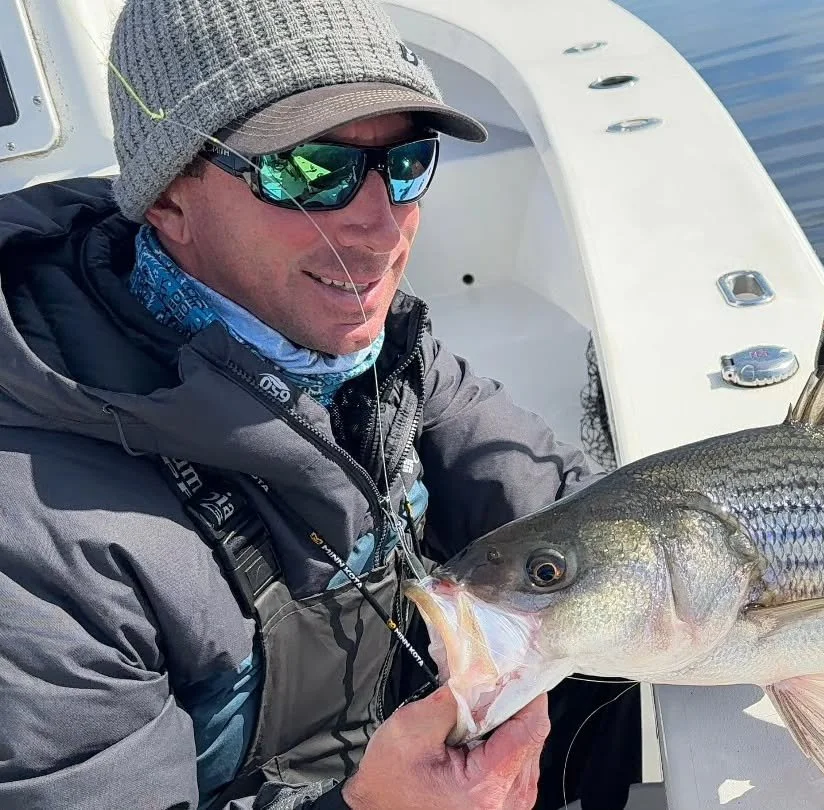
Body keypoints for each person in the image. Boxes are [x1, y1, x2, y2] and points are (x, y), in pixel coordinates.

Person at [0, 0, 639, 808]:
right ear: (168, 200)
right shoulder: (37, 544)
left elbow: (560, 504)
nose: (381, 230)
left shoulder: (368, 351)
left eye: (406, 163)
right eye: (308, 171)